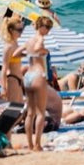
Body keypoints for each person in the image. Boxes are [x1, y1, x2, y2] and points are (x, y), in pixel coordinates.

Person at [23, 16, 53, 151]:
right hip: (38, 75)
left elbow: (17, 53)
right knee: (41, 112)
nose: (48, 30)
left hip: (28, 75)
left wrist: (31, 54)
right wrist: (43, 51)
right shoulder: (40, 38)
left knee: (30, 113)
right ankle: (37, 144)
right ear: (40, 27)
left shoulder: (27, 40)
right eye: (47, 27)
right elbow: (37, 48)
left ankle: (29, 144)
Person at [0, 15, 25, 104]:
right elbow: (4, 68)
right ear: (11, 30)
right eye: (19, 30)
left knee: (20, 107)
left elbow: (15, 57)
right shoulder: (8, 46)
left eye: (22, 29)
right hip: (12, 79)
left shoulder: (16, 43)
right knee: (14, 107)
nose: (21, 33)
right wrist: (3, 88)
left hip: (18, 79)